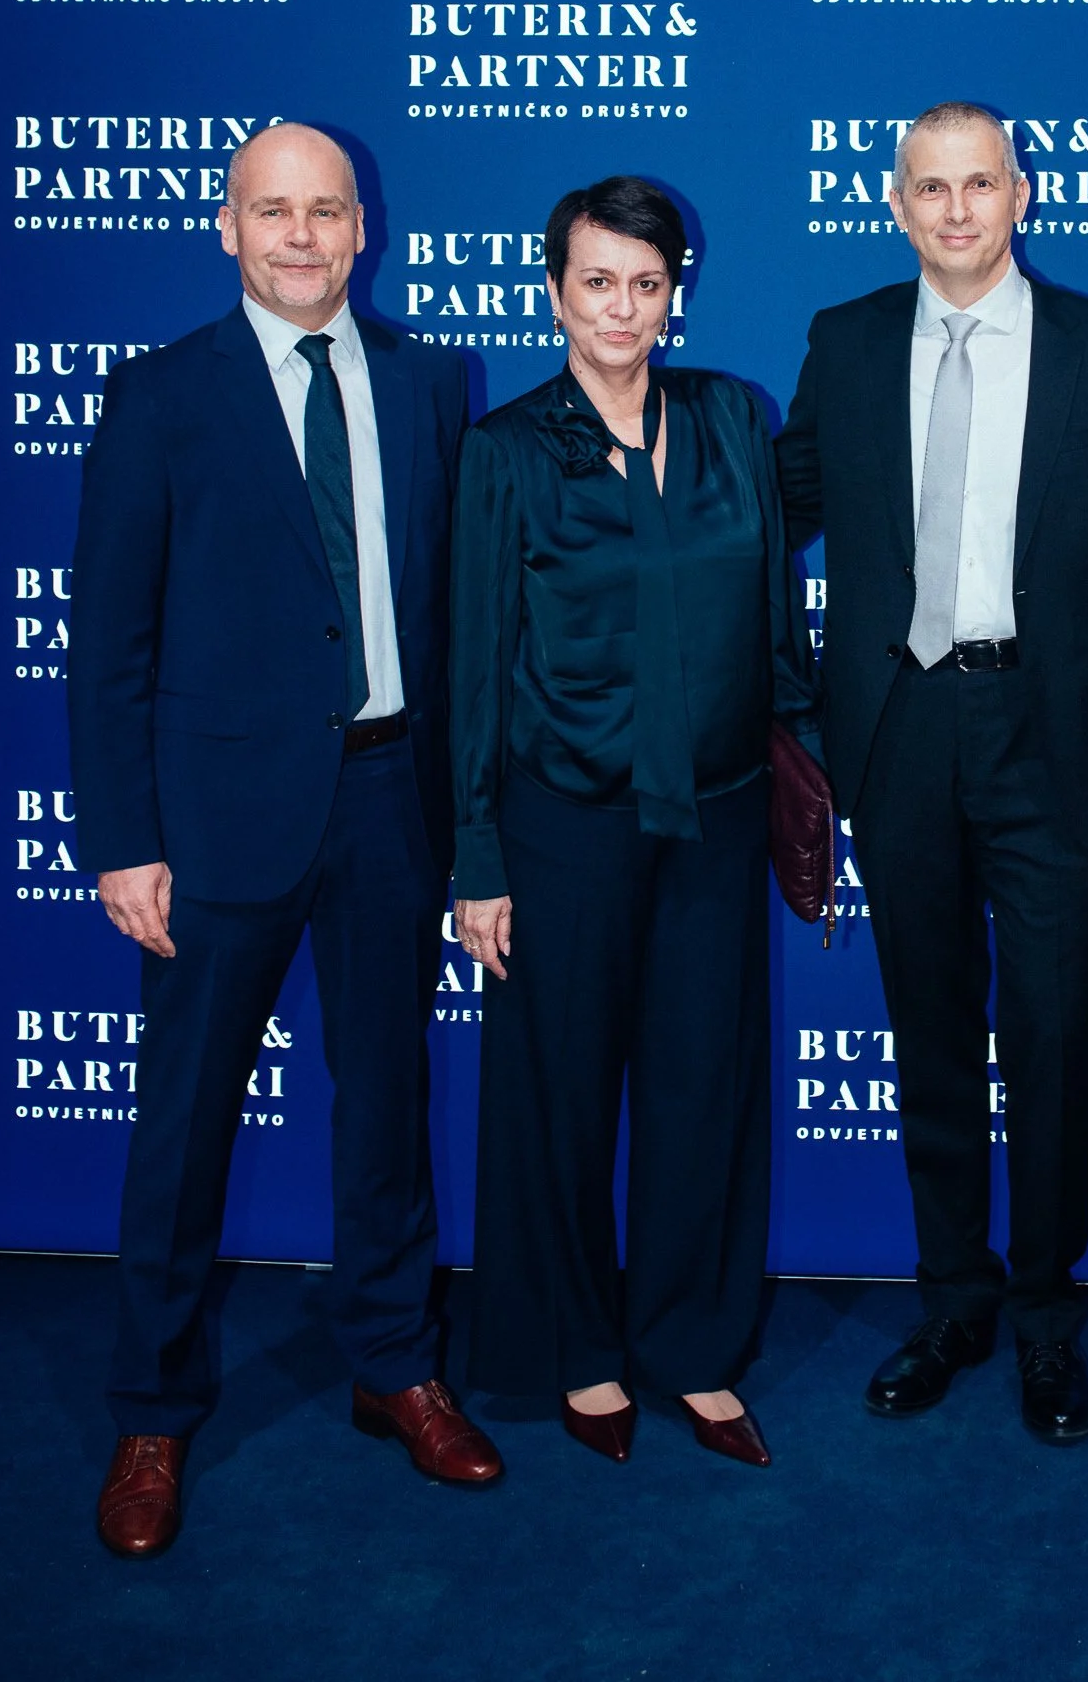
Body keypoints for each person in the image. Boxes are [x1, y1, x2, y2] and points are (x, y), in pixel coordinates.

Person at [70, 123, 501, 1560]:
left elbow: (450, 617)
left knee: (385, 1105)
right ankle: (152, 1410)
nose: (302, 236)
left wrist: (469, 826)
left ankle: (395, 1365)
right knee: (183, 1126)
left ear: (363, 227)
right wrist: (124, 838)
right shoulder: (159, 396)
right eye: (273, 211)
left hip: (390, 802)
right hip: (212, 826)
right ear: (228, 226)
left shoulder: (431, 383)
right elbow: (107, 643)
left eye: (325, 211)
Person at [776, 102, 1088, 1442]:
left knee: (1054, 1035)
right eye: (930, 188)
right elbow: (772, 507)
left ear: (1022, 193)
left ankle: (1046, 1321)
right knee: (933, 1029)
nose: (955, 210)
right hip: (897, 731)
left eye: (979, 184)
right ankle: (954, 1300)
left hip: (1055, 740)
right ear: (895, 203)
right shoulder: (845, 342)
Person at [451, 176, 820, 1469]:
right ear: (556, 292)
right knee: (556, 1096)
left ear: (676, 293)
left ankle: (692, 1347)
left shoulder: (729, 417)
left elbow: (773, 624)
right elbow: (476, 666)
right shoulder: (505, 450)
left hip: (715, 821)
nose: (621, 307)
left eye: (645, 283)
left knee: (703, 1090)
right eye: (596, 281)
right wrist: (477, 853)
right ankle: (579, 1348)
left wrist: (808, 770)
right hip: (563, 827)